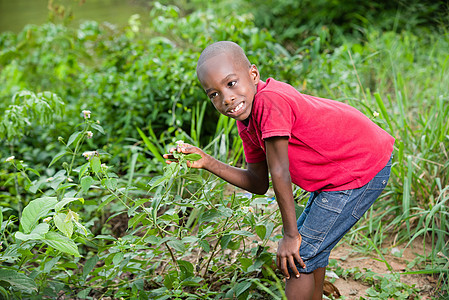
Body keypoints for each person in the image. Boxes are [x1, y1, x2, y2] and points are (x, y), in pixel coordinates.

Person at [163, 41, 394, 300]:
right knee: (305, 253)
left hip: (360, 166)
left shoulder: (269, 102)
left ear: (253, 74)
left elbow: (280, 172)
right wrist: (207, 162)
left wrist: (290, 235)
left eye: (230, 84)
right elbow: (258, 183)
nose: (226, 99)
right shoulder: (247, 119)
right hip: (337, 175)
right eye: (213, 94)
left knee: (296, 258)